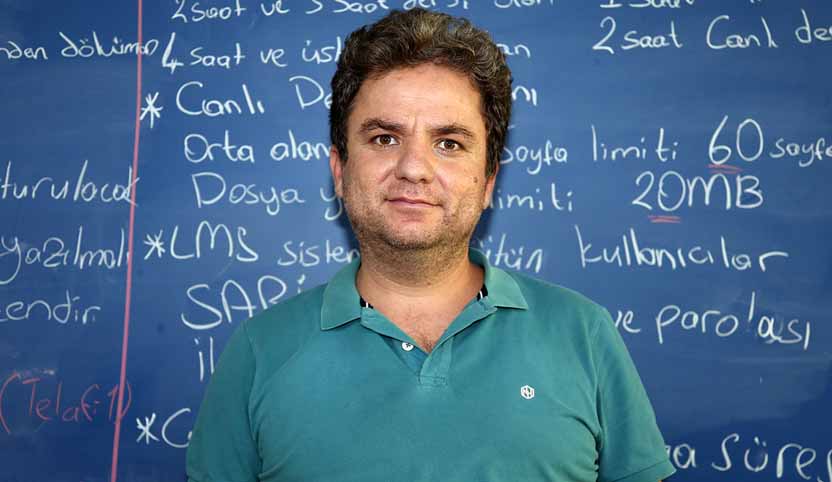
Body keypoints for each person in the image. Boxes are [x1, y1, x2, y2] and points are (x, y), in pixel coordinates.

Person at [186, 8, 675, 482]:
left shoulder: (584, 334)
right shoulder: (259, 352)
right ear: (339, 171)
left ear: (488, 181)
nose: (414, 168)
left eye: (449, 143)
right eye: (384, 138)